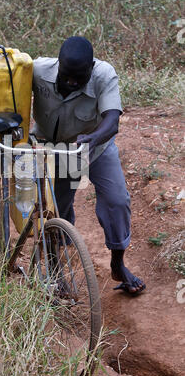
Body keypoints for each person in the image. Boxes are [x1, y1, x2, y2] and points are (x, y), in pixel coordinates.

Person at [31, 36, 146, 295]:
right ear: (58, 64)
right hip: (54, 149)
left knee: (117, 200)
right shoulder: (37, 70)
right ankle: (55, 270)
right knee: (53, 211)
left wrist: (93, 139)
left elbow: (112, 120)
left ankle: (118, 263)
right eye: (66, 76)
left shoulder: (104, 75)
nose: (71, 83)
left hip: (95, 147)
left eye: (79, 77)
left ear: (91, 68)